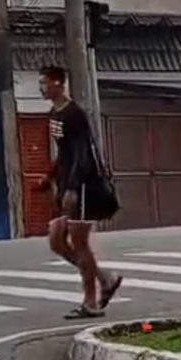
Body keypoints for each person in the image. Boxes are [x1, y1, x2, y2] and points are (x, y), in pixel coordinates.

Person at [38, 65, 122, 319]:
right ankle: (105, 278)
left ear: (58, 84)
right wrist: (50, 176)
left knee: (80, 243)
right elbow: (64, 153)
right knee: (56, 240)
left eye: (44, 83)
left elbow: (83, 153)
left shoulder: (75, 114)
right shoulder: (54, 113)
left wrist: (73, 188)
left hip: (84, 184)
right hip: (66, 181)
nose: (41, 88)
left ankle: (90, 302)